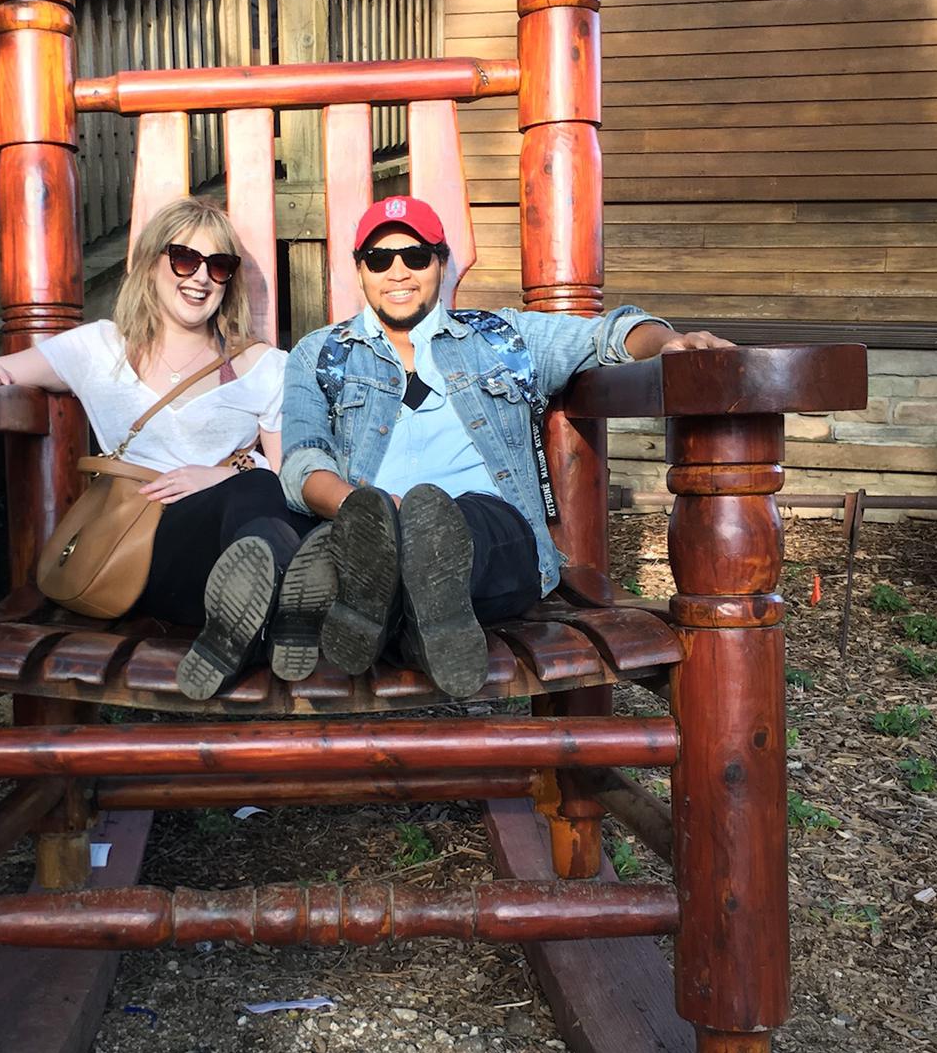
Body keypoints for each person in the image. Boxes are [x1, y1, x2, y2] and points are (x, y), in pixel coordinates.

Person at [280, 196, 732, 698]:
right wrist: (368, 509)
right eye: (380, 259)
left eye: (416, 256)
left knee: (454, 523)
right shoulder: (319, 354)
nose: (398, 271)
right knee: (375, 542)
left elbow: (607, 335)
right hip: (371, 534)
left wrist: (666, 343)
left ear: (442, 263)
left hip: (492, 537)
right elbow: (303, 460)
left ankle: (381, 605)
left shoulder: (501, 337)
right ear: (360, 270)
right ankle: (413, 623)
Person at [0, 198, 332, 700]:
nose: (200, 278)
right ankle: (286, 618)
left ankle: (247, 627)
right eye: (184, 259)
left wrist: (229, 474)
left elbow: (290, 480)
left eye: (218, 266)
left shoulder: (263, 367)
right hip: (141, 551)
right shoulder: (99, 348)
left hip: (233, 538)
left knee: (260, 491)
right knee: (258, 498)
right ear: (150, 262)